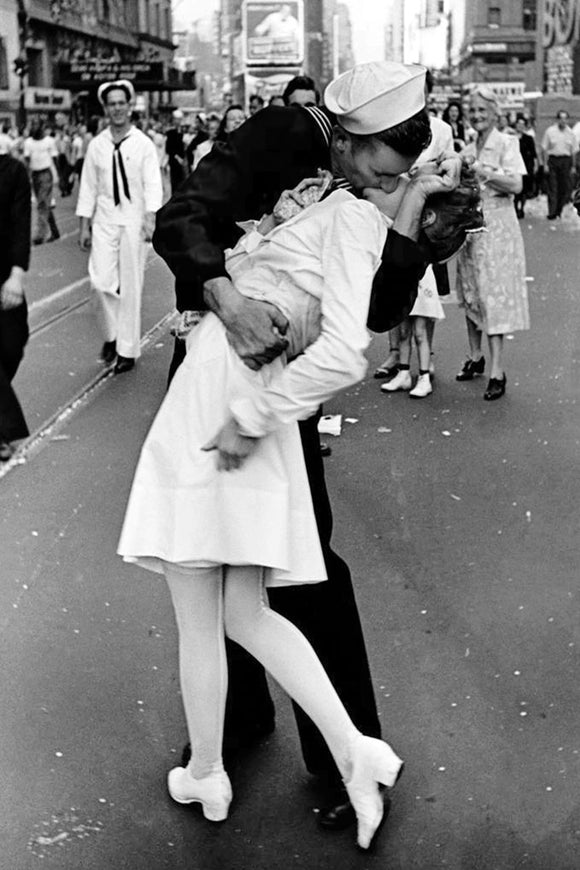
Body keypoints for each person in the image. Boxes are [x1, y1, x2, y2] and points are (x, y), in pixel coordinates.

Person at [153, 60, 462, 829]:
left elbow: (378, 312)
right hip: (221, 362)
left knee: (297, 565)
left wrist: (411, 234)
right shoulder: (286, 134)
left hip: (279, 387)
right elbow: (181, 218)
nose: (387, 182)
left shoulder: (376, 194)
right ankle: (234, 729)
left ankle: (338, 756)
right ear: (347, 138)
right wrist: (228, 301)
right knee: (220, 561)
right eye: (383, 168)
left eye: (402, 173)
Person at [75, 79, 163, 374]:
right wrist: (84, 226)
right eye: (111, 104)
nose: (117, 109)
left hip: (133, 222)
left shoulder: (143, 144)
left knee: (131, 286)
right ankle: (111, 334)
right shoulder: (97, 145)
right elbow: (88, 187)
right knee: (100, 283)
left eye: (121, 103)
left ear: (129, 106)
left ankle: (127, 350)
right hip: (104, 221)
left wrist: (150, 218)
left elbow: (153, 184)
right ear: (105, 108)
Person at [375, 70, 454, 390]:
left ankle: (425, 359)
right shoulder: (390, 126)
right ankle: (397, 356)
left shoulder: (442, 130)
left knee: (424, 300)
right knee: (391, 280)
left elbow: (448, 170)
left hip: (427, 219)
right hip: (393, 213)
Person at [455, 86, 530, 401]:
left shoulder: (507, 143)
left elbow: (516, 184)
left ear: (495, 113)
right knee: (471, 292)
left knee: (493, 296)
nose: (476, 115)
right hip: (471, 230)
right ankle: (476, 356)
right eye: (472, 110)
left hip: (498, 230)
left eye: (482, 110)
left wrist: (481, 171)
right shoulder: (467, 148)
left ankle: (497, 371)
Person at [0, 150, 31, 461]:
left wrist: (17, 275)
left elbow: (22, 224)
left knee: (12, 345)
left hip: (5, 275)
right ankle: (7, 429)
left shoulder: (13, 171)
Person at [23, 120, 60, 245]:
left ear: (42, 127)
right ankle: (54, 231)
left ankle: (40, 234)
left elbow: (55, 158)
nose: (35, 128)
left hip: (46, 174)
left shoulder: (49, 141)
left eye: (37, 125)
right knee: (43, 203)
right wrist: (27, 176)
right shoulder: (28, 142)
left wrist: (58, 176)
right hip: (35, 174)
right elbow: (27, 160)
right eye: (32, 125)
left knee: (42, 204)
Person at [541, 110, 577, 220]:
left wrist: (573, 166)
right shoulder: (550, 131)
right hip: (553, 160)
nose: (563, 121)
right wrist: (545, 164)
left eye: (565, 118)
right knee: (553, 187)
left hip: (565, 161)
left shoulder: (571, 133)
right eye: (561, 118)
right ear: (557, 120)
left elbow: (574, 151)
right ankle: (552, 212)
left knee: (564, 187)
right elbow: (544, 149)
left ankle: (559, 211)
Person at [513, 117, 537, 219]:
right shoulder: (511, 137)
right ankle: (515, 208)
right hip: (513, 166)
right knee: (515, 189)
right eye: (519, 124)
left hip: (526, 166)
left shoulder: (528, 138)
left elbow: (533, 153)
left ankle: (522, 208)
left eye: (522, 124)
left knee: (524, 189)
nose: (520, 126)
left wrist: (535, 166)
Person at [165, 109, 186, 192]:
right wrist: (177, 158)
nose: (178, 121)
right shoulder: (170, 133)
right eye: (177, 119)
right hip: (174, 161)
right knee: (175, 183)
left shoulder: (183, 131)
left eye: (180, 119)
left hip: (183, 161)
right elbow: (168, 149)